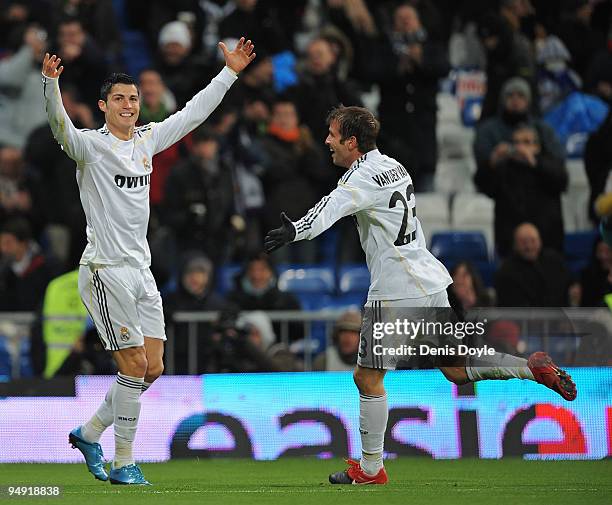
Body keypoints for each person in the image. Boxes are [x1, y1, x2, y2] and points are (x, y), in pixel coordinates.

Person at [264, 105, 577, 485]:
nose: (327, 141)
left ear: (351, 142)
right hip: (428, 280)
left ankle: (370, 469)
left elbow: (330, 209)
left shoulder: (359, 178)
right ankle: (530, 368)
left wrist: (296, 230)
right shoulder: (396, 165)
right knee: (457, 369)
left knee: (367, 378)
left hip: (397, 291)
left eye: (332, 135)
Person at [41, 37, 255, 485]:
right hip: (104, 270)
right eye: (119, 98)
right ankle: (123, 462)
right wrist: (51, 85)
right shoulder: (89, 147)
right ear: (103, 106)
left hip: (142, 271)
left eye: (134, 98)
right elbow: (60, 127)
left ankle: (89, 432)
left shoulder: (147, 140)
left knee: (153, 367)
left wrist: (230, 73)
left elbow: (194, 113)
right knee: (134, 365)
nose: (128, 104)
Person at [495, 223, 573, 307]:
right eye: (523, 242)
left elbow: (570, 283)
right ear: (515, 245)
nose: (529, 246)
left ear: (540, 241)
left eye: (533, 240)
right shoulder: (506, 271)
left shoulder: (554, 260)